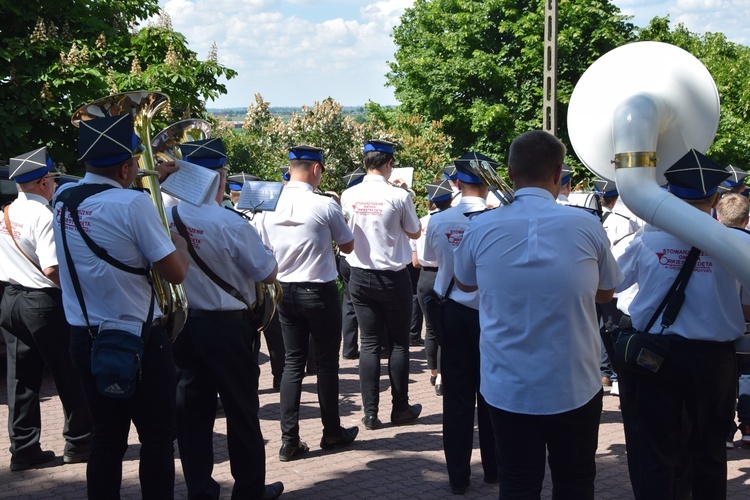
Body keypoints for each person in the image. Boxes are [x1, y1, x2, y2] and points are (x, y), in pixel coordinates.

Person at [454, 130, 623, 499]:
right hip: (574, 383)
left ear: (511, 172)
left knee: (517, 483)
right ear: (559, 173)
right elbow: (607, 291)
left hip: (507, 386)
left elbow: (465, 284)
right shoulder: (588, 225)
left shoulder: (481, 226)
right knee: (576, 481)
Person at [51, 114, 190, 499]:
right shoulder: (133, 204)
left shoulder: (62, 198)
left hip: (85, 336)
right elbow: (175, 273)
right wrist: (177, 241)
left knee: (107, 440)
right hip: (140, 339)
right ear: (127, 166)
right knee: (158, 438)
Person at [616, 149, 748, 499]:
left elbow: (610, 286)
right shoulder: (741, 244)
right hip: (713, 360)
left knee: (656, 451)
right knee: (710, 451)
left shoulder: (645, 241)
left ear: (670, 195)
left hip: (656, 357)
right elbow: (747, 308)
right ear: (717, 198)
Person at [165, 137, 284, 500]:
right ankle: (248, 490)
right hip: (228, 327)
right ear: (217, 178)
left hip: (185, 323)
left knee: (192, 414)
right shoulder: (230, 223)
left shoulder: (167, 215)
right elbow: (266, 273)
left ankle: (200, 489)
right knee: (242, 412)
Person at [255, 145, 358, 462]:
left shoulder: (267, 206)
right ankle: (331, 432)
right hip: (320, 291)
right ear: (316, 169)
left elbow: (261, 249)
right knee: (327, 364)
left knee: (291, 366)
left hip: (285, 292)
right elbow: (349, 246)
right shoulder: (325, 205)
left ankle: (289, 440)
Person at [0, 147, 92, 471]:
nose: (53, 185)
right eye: (51, 179)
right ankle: (80, 442)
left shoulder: (6, 212)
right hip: (41, 302)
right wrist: (75, 296)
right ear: (42, 182)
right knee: (70, 372)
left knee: (21, 379)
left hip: (10, 299)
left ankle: (23, 449)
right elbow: (52, 269)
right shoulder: (44, 215)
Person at [424, 153, 499, 495]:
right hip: (490, 315)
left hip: (452, 312)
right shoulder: (500, 219)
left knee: (456, 397)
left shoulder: (440, 221)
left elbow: (429, 261)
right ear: (490, 182)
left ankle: (457, 476)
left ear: (456, 183)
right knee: (493, 394)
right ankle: (495, 469)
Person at [340, 139, 423, 430]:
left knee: (370, 344)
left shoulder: (348, 194)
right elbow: (414, 231)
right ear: (389, 164)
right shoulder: (399, 196)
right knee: (399, 344)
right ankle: (400, 408)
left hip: (360, 276)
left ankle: (370, 413)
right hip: (392, 276)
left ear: (366, 163)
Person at [593, 178, 639, 396]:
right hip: (614, 281)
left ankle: (606, 373)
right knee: (613, 328)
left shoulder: (595, 219)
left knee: (603, 328)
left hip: (597, 279)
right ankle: (617, 375)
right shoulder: (623, 220)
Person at [411, 178, 453, 396]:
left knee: (430, 328)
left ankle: (434, 372)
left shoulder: (420, 221)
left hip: (424, 277)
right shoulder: (451, 220)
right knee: (445, 329)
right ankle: (442, 377)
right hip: (444, 275)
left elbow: (415, 261)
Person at [716, 193, 750, 449]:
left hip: (717, 323)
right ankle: (747, 426)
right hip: (744, 321)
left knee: (722, 378)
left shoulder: (708, 241)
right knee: (747, 374)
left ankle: (725, 430)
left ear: (718, 216)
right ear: (746, 220)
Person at [339, 168, 364, 360]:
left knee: (349, 303)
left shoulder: (345, 198)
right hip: (359, 258)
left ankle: (348, 348)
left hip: (344, 258)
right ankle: (376, 345)